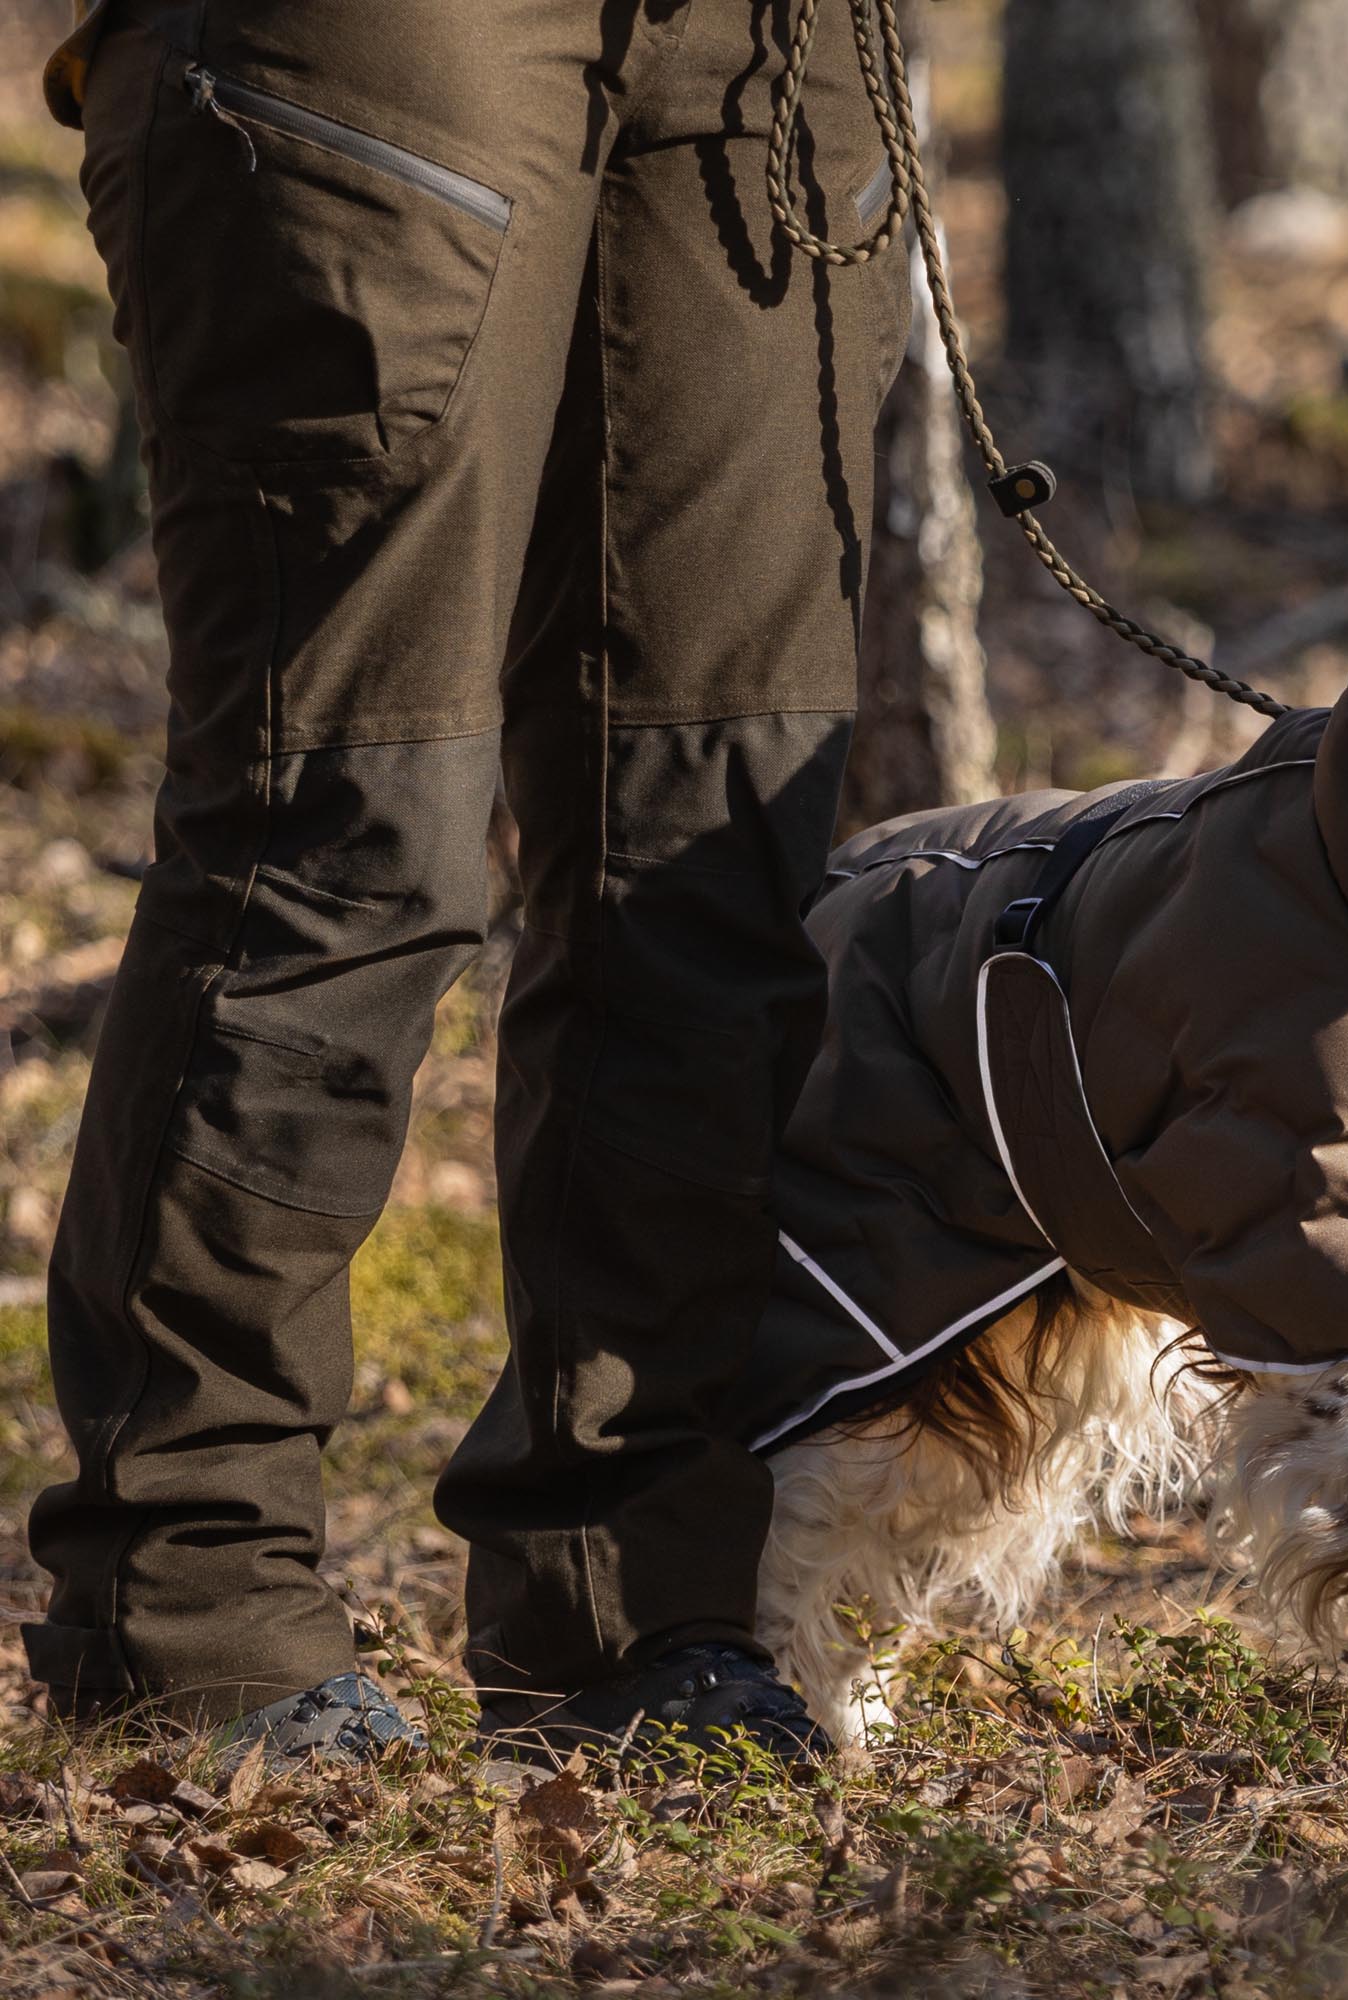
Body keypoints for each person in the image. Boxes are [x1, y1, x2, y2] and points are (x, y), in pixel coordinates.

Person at [27, 0, 910, 1766]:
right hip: (383, 36)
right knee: (349, 822)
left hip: (775, 46)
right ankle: (187, 1613)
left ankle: (634, 1604)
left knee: (712, 849)